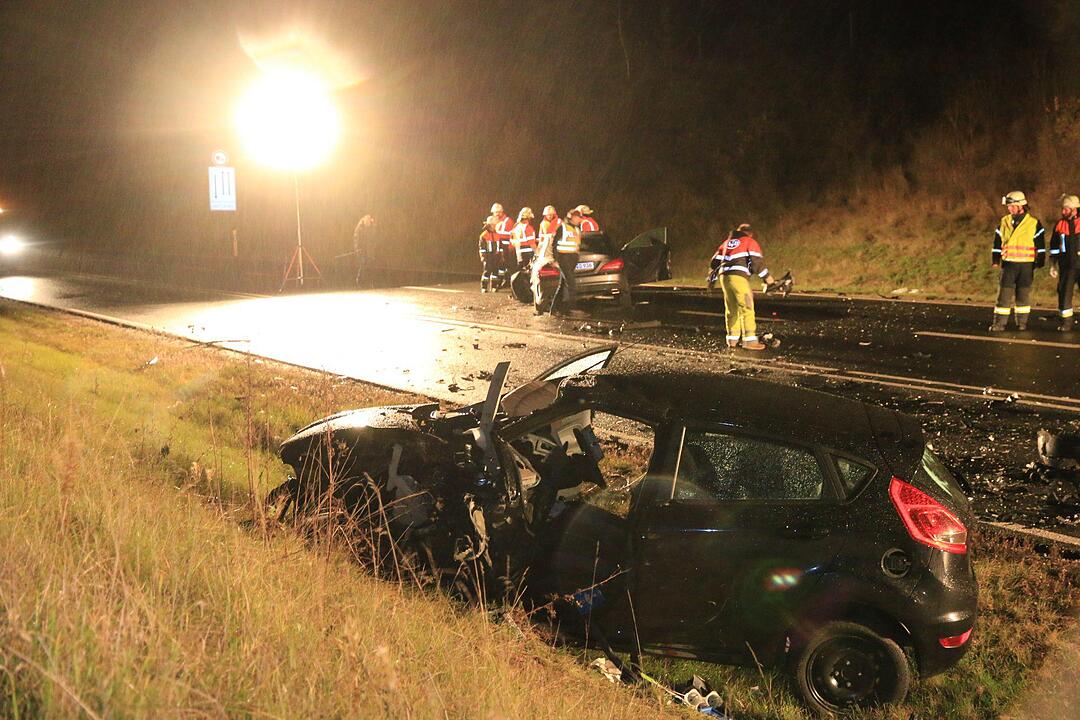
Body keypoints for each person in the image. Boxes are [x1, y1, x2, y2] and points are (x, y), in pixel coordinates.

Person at [712, 224, 774, 351]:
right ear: (749, 233)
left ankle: (732, 340)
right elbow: (757, 262)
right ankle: (749, 341)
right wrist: (767, 278)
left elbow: (714, 262)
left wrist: (711, 280)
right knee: (747, 306)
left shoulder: (726, 242)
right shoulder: (749, 241)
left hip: (724, 277)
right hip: (738, 277)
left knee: (731, 308)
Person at [990, 192, 1045, 331]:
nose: (1010, 209)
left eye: (1013, 206)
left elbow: (1040, 244)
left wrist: (1040, 260)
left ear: (1021, 205)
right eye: (1009, 206)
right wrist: (995, 259)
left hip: (1026, 265)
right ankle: (999, 324)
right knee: (1004, 295)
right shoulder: (1004, 222)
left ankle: (1022, 323)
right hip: (1009, 264)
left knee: (1023, 296)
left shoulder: (1033, 223)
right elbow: (997, 243)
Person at [1050, 194, 1080, 331]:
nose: (1063, 212)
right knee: (1064, 294)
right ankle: (1066, 323)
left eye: (1066, 209)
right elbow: (1054, 247)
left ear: (1074, 210)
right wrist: (1053, 264)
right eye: (1063, 209)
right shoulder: (1060, 225)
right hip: (1067, 266)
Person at [552, 208, 583, 313]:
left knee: (562, 285)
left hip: (572, 260)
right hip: (563, 258)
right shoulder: (563, 228)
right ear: (572, 217)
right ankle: (571, 308)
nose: (580, 220)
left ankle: (554, 308)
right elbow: (554, 244)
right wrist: (555, 259)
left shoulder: (577, 230)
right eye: (578, 217)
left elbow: (577, 245)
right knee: (571, 283)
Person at [490, 203, 514, 289]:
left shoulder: (507, 221)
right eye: (495, 212)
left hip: (505, 247)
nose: (497, 214)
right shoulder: (493, 221)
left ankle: (502, 282)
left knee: (503, 265)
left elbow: (507, 235)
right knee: (498, 266)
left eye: (498, 212)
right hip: (496, 246)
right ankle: (500, 282)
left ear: (502, 212)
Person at [350, 214, 376, 286]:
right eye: (367, 220)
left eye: (369, 220)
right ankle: (360, 281)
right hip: (361, 250)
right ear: (364, 220)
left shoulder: (371, 227)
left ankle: (369, 282)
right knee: (363, 265)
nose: (368, 222)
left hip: (369, 250)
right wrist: (357, 248)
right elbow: (356, 239)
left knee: (370, 265)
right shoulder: (359, 228)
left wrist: (373, 225)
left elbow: (373, 238)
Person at [478, 215, 500, 293]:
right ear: (489, 225)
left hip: (496, 256)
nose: (495, 226)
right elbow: (482, 248)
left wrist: (501, 255)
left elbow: (499, 246)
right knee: (486, 272)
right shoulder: (484, 235)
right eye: (494, 225)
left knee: (495, 272)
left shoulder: (497, 235)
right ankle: (484, 287)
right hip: (488, 256)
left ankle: (494, 286)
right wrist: (483, 257)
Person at [511, 207, 537, 271]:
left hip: (518, 253)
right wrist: (537, 252)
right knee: (528, 273)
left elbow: (512, 239)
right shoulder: (528, 228)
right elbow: (531, 243)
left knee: (521, 272)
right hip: (528, 253)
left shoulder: (516, 226)